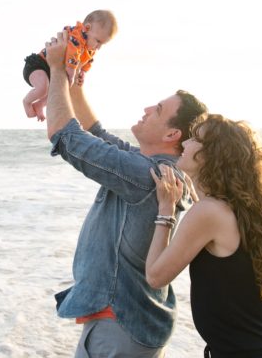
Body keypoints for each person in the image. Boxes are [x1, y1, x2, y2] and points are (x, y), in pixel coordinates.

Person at [43, 28, 208, 357]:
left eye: (158, 110)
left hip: (119, 326)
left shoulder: (149, 175)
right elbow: (96, 134)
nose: (147, 108)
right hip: (121, 324)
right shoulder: (148, 165)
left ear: (172, 133)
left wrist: (56, 69)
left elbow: (67, 138)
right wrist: (74, 82)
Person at [146, 114, 262, 358]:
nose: (186, 143)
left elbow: (155, 276)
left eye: (195, 139)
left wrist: (166, 211)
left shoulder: (209, 212)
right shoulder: (233, 210)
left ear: (212, 156)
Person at [23, 10, 117, 121]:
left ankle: (40, 105)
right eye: (98, 41)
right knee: (43, 87)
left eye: (102, 44)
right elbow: (73, 52)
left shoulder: (90, 49)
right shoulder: (77, 35)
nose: (98, 47)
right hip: (38, 65)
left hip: (51, 72)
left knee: (59, 90)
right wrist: (71, 72)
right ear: (86, 28)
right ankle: (27, 102)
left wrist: (83, 73)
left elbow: (87, 63)